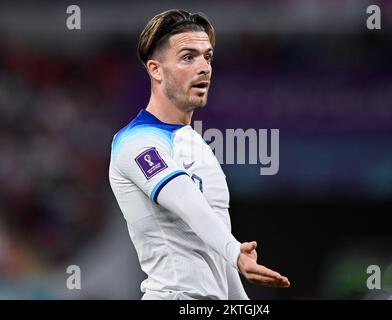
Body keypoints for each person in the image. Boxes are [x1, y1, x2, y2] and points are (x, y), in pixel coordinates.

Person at [109, 9, 290, 300]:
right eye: (188, 57)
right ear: (155, 70)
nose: (204, 67)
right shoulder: (134, 142)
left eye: (208, 57)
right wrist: (235, 252)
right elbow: (185, 200)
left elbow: (217, 244)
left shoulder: (198, 146)